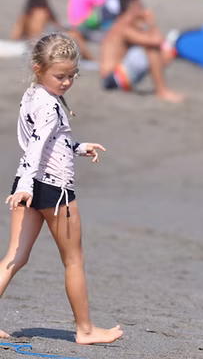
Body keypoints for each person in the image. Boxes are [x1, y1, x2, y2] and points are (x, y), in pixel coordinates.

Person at [2, 33, 123, 345]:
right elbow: (38, 146)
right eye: (60, 76)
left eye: (72, 75)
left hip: (29, 185)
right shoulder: (48, 104)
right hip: (53, 192)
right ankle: (85, 329)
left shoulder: (33, 95)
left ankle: (85, 328)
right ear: (38, 67)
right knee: (73, 260)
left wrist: (80, 147)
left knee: (15, 256)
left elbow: (50, 142)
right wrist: (28, 186)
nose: (67, 82)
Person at [100, 0, 184, 103]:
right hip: (112, 79)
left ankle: (161, 87)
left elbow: (162, 44)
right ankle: (161, 91)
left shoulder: (125, 25)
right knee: (152, 49)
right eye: (141, 6)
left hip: (117, 77)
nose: (144, 9)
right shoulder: (122, 27)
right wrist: (151, 22)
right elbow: (157, 41)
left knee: (168, 53)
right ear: (134, 7)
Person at [11, 0, 95, 61]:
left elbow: (15, 36)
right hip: (44, 43)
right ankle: (89, 58)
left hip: (31, 43)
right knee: (74, 35)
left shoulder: (25, 15)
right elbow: (59, 27)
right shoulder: (45, 12)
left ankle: (89, 58)